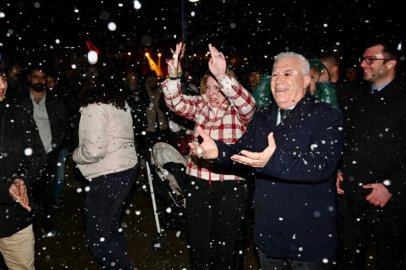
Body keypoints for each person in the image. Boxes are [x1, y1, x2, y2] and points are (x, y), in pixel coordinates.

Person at [189, 52, 344, 270]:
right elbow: (243, 152)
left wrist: (272, 160)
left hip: (309, 233)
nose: (279, 80)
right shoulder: (264, 116)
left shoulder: (325, 115)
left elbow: (321, 165)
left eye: (287, 73)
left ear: (307, 81)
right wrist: (219, 152)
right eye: (274, 74)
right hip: (269, 232)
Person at [163, 42, 256, 270]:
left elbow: (248, 105)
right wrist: (174, 78)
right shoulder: (200, 105)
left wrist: (223, 76)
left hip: (231, 186)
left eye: (219, 88)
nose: (212, 93)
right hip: (197, 182)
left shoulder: (238, 111)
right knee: (198, 247)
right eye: (209, 88)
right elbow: (174, 102)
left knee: (224, 250)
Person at [336, 41, 406, 270]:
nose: (363, 64)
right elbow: (350, 141)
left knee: (389, 260)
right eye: (363, 59)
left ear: (390, 63)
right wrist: (340, 170)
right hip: (354, 195)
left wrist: (392, 186)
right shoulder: (360, 99)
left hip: (390, 201)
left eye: (370, 59)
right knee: (350, 258)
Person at [72, 59, 138, 270]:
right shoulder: (119, 103)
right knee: (110, 228)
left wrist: (75, 155)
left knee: (98, 238)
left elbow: (94, 149)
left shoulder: (95, 107)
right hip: (124, 170)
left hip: (108, 174)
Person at [0, 60, 46, 269]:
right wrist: (4, 187)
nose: (2, 86)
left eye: (2, 78)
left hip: (15, 221)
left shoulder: (18, 114)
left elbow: (37, 155)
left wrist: (22, 179)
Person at [12, 63, 67, 237]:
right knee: (29, 191)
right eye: (36, 76)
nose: (40, 80)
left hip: (49, 154)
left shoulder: (54, 100)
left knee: (49, 191)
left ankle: (47, 224)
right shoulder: (21, 101)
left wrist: (55, 146)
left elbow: (63, 123)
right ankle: (30, 227)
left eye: (43, 77)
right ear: (29, 78)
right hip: (27, 157)